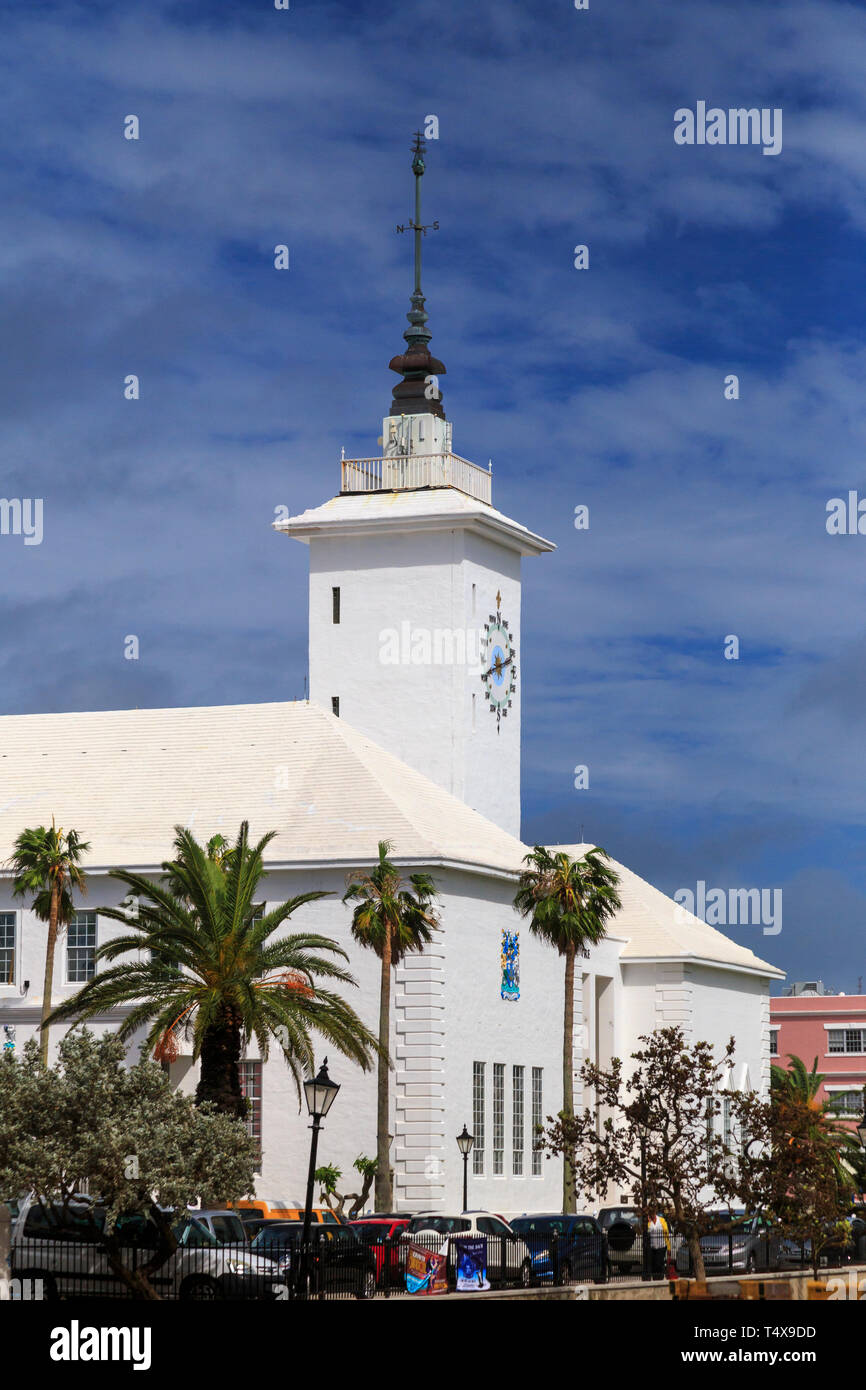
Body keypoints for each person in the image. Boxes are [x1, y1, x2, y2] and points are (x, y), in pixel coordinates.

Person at [647, 1209, 671, 1279]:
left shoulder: (661, 1220)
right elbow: (647, 1232)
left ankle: (660, 1277)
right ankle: (655, 1278)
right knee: (653, 1264)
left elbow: (666, 1234)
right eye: (650, 1213)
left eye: (653, 1213)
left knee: (659, 1263)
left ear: (655, 1213)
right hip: (652, 1247)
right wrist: (649, 1222)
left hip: (661, 1246)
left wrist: (669, 1247)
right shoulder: (648, 1222)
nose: (652, 1215)